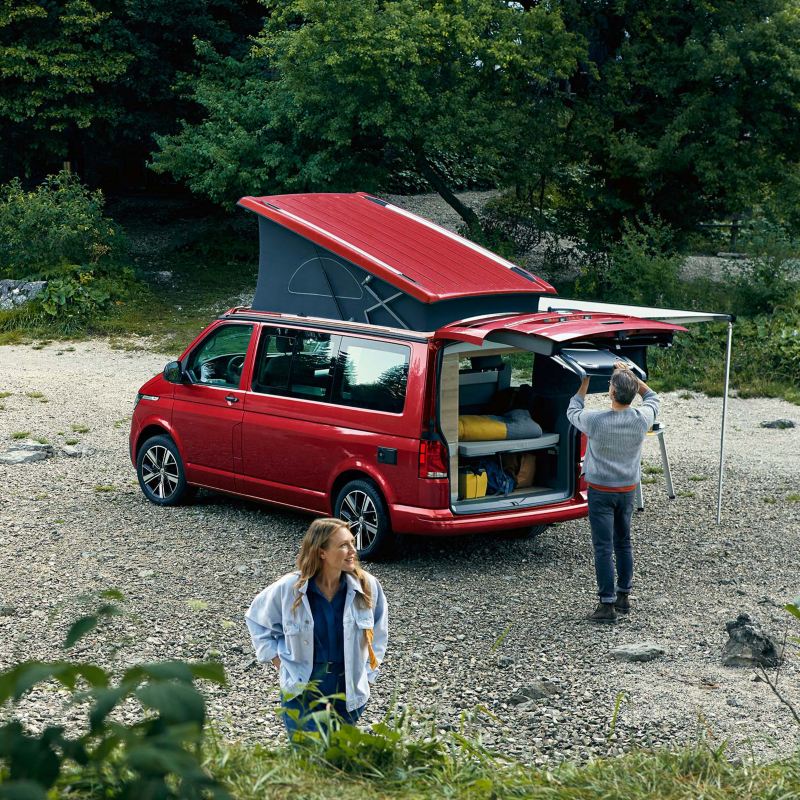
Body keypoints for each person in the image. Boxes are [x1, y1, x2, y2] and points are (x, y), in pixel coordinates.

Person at [245, 518, 388, 738]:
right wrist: (277, 660)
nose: (353, 550)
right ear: (322, 552)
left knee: (336, 761)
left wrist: (369, 675)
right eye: (343, 545)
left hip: (347, 692)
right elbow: (256, 619)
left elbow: (378, 634)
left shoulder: (367, 586)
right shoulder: (290, 588)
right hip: (303, 691)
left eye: (352, 542)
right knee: (307, 757)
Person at [566, 362, 660, 623]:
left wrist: (584, 382)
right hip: (627, 489)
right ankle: (623, 596)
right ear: (631, 394)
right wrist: (632, 376)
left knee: (603, 547)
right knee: (623, 542)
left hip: (600, 491)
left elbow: (573, 410)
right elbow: (653, 397)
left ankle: (606, 605)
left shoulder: (595, 420)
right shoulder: (642, 419)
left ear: (611, 393)